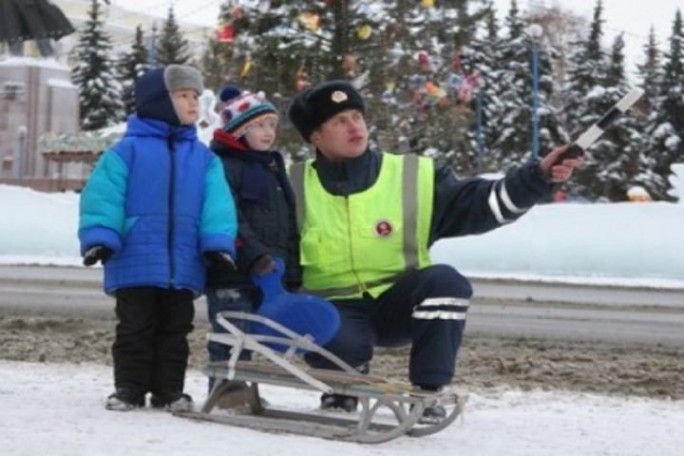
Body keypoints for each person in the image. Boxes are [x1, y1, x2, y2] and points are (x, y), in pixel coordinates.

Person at [286, 80, 581, 419]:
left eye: (357, 115)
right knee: (330, 333)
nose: (355, 126)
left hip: (396, 301)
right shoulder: (290, 185)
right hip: (332, 309)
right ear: (315, 137)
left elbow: (484, 204)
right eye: (339, 121)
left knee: (446, 282)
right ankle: (342, 384)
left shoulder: (414, 175)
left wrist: (539, 176)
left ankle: (427, 392)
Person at [78, 65, 238, 413]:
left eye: (196, 96)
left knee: (175, 331)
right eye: (183, 96)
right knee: (135, 328)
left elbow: (218, 205)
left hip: (184, 261)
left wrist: (216, 243)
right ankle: (129, 388)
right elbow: (103, 198)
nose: (194, 103)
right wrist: (101, 237)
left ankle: (169, 391)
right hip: (135, 258)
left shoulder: (204, 158)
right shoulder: (125, 152)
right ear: (158, 102)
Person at [205, 86, 301, 407]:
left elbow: (288, 222)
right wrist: (255, 254)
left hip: (268, 270)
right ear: (240, 129)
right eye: (259, 125)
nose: (268, 132)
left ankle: (246, 390)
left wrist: (292, 269)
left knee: (254, 333)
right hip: (231, 268)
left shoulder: (271, 167)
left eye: (272, 125)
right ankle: (224, 390)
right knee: (231, 329)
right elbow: (228, 216)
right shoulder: (223, 165)